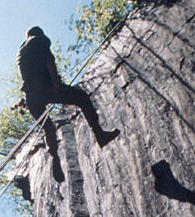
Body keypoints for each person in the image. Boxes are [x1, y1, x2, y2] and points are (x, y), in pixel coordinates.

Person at [16, 26, 119, 182]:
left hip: (31, 97)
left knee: (48, 128)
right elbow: (48, 58)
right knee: (82, 98)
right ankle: (100, 135)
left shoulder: (20, 51)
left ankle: (55, 157)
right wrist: (56, 82)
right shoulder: (38, 39)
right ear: (38, 33)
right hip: (45, 87)